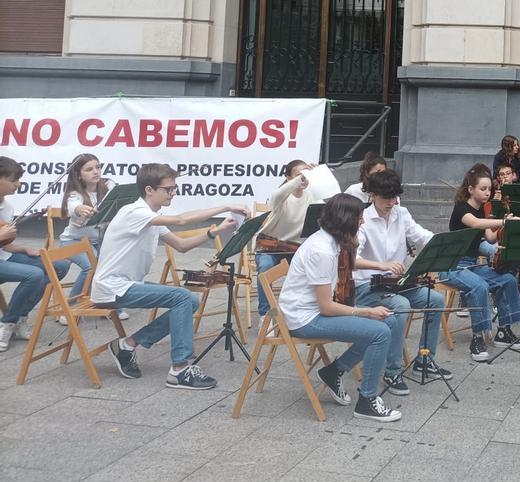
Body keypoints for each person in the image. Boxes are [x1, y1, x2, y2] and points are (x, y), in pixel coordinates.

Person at [87, 163, 248, 388]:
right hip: (111, 288)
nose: (173, 193)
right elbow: (181, 220)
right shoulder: (134, 212)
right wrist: (226, 206)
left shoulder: (150, 216)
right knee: (181, 297)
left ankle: (127, 344)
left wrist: (214, 231)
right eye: (168, 189)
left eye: (174, 188)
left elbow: (181, 245)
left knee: (190, 299)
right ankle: (180, 369)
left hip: (128, 284)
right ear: (149, 190)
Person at [277, 194, 401, 421]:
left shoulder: (331, 241)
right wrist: (366, 311)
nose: (362, 222)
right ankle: (367, 401)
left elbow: (348, 266)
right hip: (304, 319)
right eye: (359, 218)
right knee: (380, 332)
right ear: (346, 220)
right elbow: (326, 307)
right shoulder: (321, 250)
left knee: (389, 321)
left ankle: (334, 370)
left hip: (312, 311)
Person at [352, 170, 452, 394]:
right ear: (372, 195)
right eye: (385, 197)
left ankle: (425, 360)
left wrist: (443, 243)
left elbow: (420, 235)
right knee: (401, 306)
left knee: (435, 300)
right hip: (367, 285)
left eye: (394, 197)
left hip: (396, 283)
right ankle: (392, 371)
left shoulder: (401, 213)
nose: (391, 202)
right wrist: (382, 265)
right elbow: (352, 259)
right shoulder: (363, 219)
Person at [442, 164, 520, 362]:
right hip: (452, 265)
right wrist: (504, 223)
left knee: (507, 280)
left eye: (489, 189)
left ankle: (503, 331)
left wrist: (504, 223)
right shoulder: (462, 208)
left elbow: (489, 238)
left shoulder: (482, 210)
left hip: (471, 264)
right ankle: (477, 337)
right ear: (470, 189)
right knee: (479, 286)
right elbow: (476, 224)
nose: (487, 192)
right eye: (483, 189)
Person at [0, 157, 70, 351]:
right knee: (35, 274)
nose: (18, 184)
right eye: (14, 180)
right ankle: (7, 324)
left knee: (59, 265)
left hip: (4, 258)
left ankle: (20, 316)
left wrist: (24, 249)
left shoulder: (7, 207)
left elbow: (4, 245)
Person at [254, 159, 318, 318]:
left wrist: (320, 174)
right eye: (298, 175)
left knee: (316, 266)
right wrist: (301, 179)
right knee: (265, 267)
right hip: (270, 247)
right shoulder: (281, 196)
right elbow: (278, 194)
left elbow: (331, 197)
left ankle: (303, 311)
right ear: (288, 178)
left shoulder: (312, 195)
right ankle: (266, 314)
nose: (304, 178)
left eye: (306, 175)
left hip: (295, 248)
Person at [57, 154, 116, 309]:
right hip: (73, 241)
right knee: (92, 266)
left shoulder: (109, 185)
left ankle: (106, 302)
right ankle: (71, 307)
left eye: (98, 167)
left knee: (111, 266)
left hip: (100, 241)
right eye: (89, 169)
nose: (96, 172)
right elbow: (73, 206)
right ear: (78, 175)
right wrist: (80, 208)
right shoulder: (75, 193)